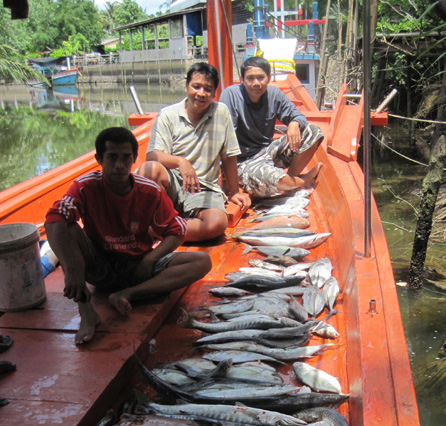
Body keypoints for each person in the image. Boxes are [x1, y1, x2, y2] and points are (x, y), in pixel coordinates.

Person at [44, 127, 211, 346]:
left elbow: (177, 230)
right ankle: (87, 312)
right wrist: (72, 269)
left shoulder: (149, 190)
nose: (119, 165)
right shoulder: (85, 187)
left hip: (138, 267)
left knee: (202, 261)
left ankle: (128, 294)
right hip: (98, 266)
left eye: (126, 158)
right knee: (66, 227)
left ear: (134, 159)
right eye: (112, 158)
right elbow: (53, 218)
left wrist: (150, 259)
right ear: (99, 159)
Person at [138, 62, 250, 242]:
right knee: (149, 170)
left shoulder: (221, 112)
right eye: (196, 87)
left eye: (208, 89)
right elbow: (152, 155)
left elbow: (229, 156)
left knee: (216, 225)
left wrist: (234, 191)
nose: (201, 93)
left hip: (203, 187)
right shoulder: (168, 114)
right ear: (186, 87)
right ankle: (170, 225)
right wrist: (181, 163)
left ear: (214, 93)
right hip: (173, 182)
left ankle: (156, 230)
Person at [219, 55, 324, 198]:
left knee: (313, 132)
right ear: (242, 80)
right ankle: (300, 181)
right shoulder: (231, 95)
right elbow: (225, 141)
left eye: (260, 78)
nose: (256, 83)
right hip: (243, 161)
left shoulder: (274, 94)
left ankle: (291, 180)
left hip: (268, 152)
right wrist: (226, 179)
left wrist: (294, 123)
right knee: (273, 179)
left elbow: (298, 116)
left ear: (268, 78)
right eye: (250, 78)